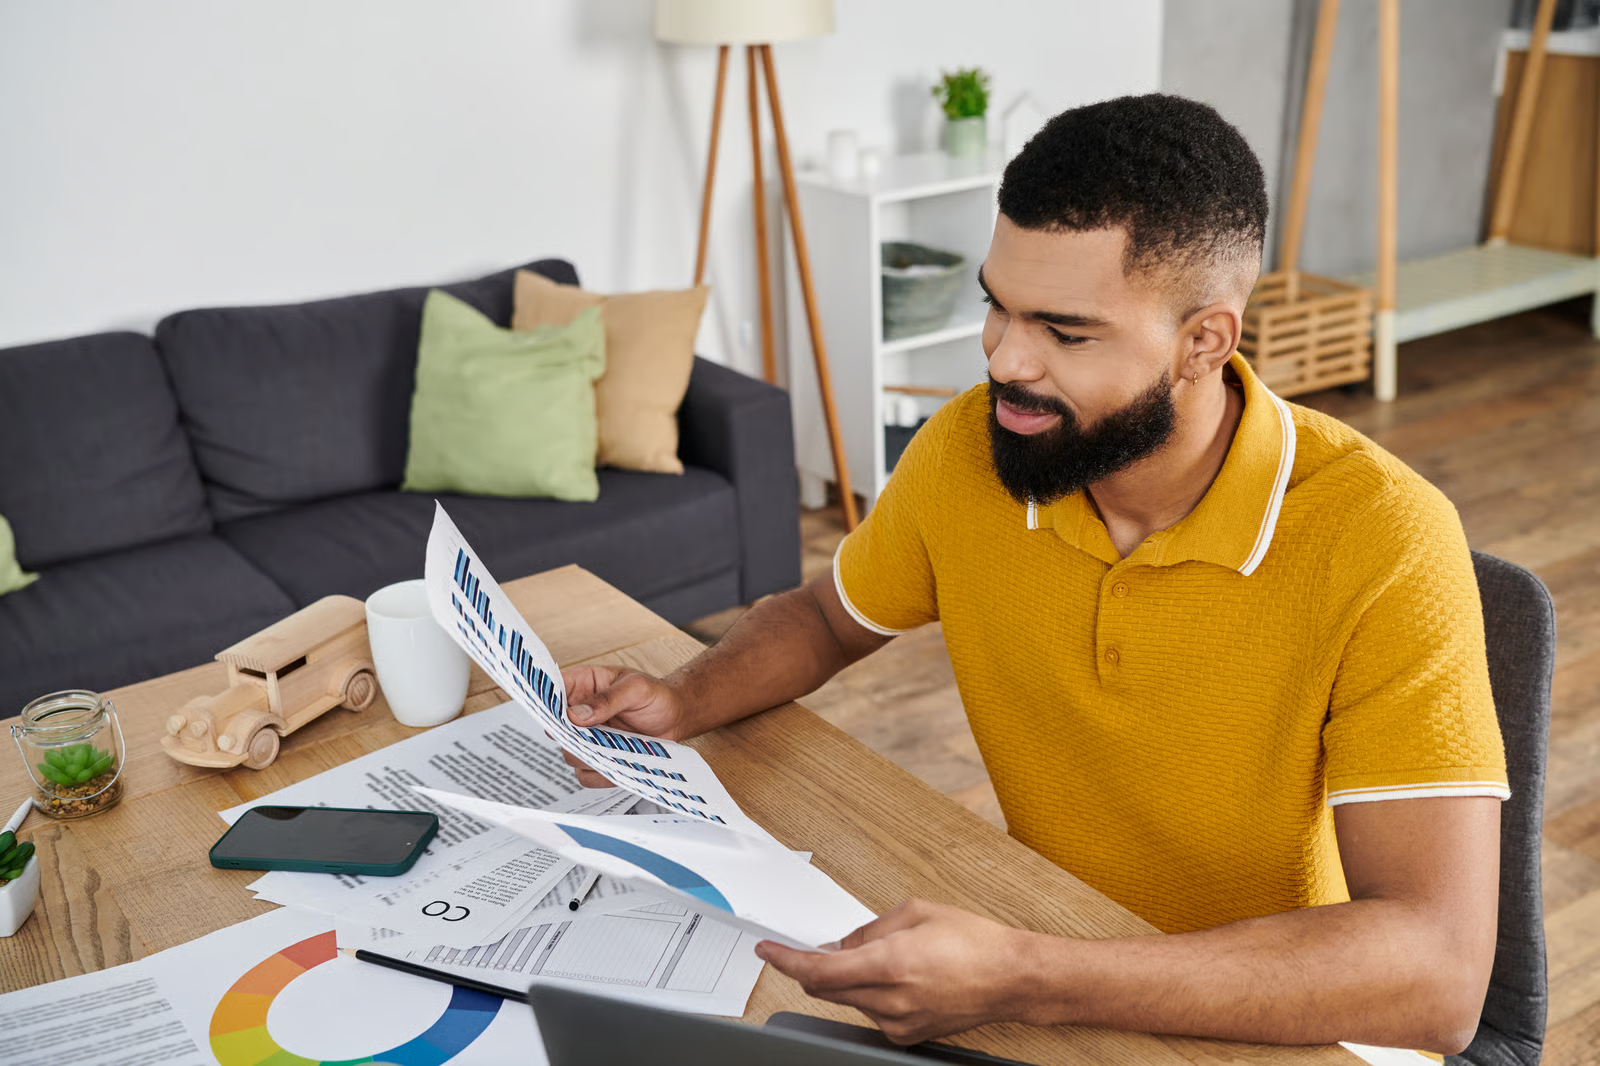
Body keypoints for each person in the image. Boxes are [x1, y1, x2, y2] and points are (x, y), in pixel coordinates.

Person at [560, 94, 1508, 1056]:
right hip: (1049, 942)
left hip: (1281, 1018)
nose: (1005, 359)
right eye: (997, 305)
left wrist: (1026, 974)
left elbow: (1436, 975)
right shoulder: (971, 452)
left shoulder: (1386, 539)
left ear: (1205, 342)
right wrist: (685, 700)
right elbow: (827, 618)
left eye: (1066, 331)